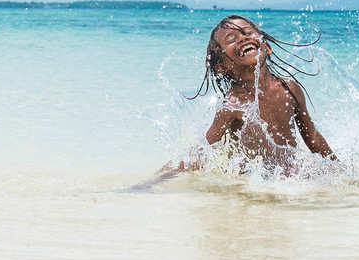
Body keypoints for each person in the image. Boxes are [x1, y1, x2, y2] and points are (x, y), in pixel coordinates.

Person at [133, 15, 335, 189]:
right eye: (231, 39)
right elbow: (201, 151)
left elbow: (312, 136)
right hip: (254, 182)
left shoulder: (290, 88)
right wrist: (154, 181)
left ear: (267, 47)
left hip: (290, 179)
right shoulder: (233, 104)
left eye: (248, 33)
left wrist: (339, 170)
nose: (243, 38)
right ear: (221, 66)